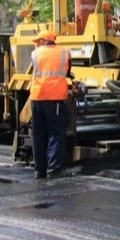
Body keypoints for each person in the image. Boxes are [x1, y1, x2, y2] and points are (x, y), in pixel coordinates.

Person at [29, 30, 72, 179]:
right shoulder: (64, 52)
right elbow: (68, 73)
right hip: (55, 99)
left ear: (44, 40)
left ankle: (39, 170)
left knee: (39, 135)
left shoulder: (35, 54)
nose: (37, 43)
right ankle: (53, 169)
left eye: (38, 40)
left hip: (37, 98)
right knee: (56, 133)